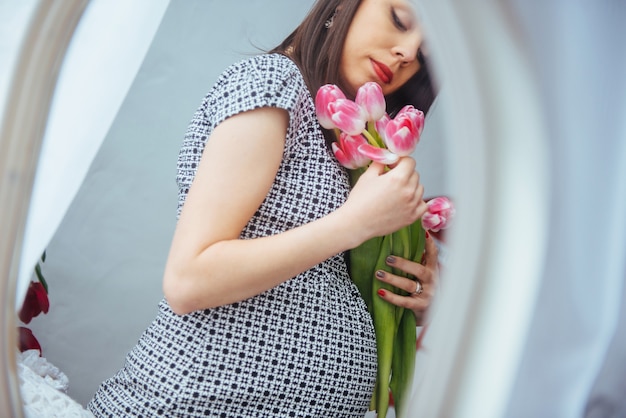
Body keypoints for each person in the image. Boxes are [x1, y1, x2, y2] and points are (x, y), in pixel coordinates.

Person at [88, 0, 439, 416]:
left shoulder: (350, 135)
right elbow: (189, 280)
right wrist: (355, 223)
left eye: (426, 53)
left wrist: (416, 295)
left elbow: (313, 283)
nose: (409, 52)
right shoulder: (275, 85)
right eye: (399, 20)